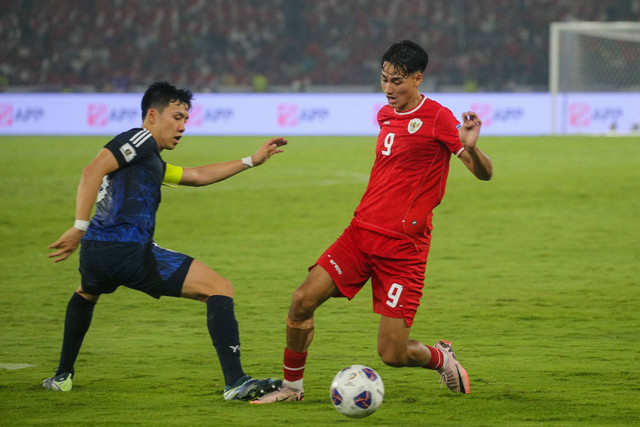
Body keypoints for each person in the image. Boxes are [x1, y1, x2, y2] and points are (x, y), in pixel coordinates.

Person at [251, 40, 493, 404]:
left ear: (417, 78)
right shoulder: (384, 115)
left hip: (402, 249)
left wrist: (471, 147)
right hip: (360, 234)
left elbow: (484, 174)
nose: (388, 89)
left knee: (393, 354)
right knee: (302, 299)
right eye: (383, 79)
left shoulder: (439, 118)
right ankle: (291, 389)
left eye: (397, 81)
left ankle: (442, 357)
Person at [43, 81, 287, 400]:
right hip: (129, 251)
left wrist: (250, 160)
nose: (183, 126)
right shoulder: (140, 139)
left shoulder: (150, 160)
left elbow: (196, 176)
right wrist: (77, 225)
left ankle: (62, 376)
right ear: (153, 115)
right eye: (177, 117)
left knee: (86, 293)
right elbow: (93, 169)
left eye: (186, 119)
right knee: (219, 287)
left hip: (95, 253)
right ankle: (236, 382)